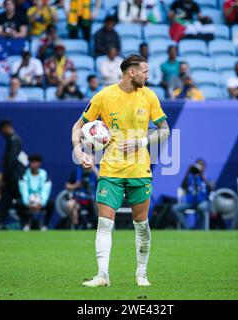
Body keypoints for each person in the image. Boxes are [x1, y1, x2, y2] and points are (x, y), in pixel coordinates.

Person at [71, 54, 170, 287]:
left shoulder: (149, 96)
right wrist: (78, 149)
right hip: (111, 170)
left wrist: (142, 142)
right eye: (145, 72)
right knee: (104, 223)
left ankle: (141, 273)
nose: (148, 76)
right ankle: (102, 275)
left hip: (139, 170)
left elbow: (165, 129)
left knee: (141, 224)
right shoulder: (104, 96)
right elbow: (79, 125)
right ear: (131, 73)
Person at [0, 119, 27, 229]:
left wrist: (4, 176)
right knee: (9, 201)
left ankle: (26, 223)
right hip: (13, 177)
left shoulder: (13, 140)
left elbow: (11, 160)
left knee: (13, 201)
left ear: (6, 127)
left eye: (1, 130)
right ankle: (24, 223)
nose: (1, 133)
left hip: (13, 177)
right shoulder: (13, 139)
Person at [172, 159, 213, 230]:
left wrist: (202, 176)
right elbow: (182, 186)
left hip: (202, 202)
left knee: (202, 207)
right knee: (175, 208)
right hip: (190, 203)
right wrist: (188, 172)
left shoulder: (207, 178)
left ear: (204, 167)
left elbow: (211, 189)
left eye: (201, 165)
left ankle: (203, 230)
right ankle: (187, 228)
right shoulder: (190, 178)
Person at [18, 154, 54, 231]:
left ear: (39, 163)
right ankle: (25, 224)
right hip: (28, 201)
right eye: (32, 162)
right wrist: (27, 203)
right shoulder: (24, 174)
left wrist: (41, 203)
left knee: (51, 204)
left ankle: (45, 225)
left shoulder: (44, 174)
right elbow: (23, 190)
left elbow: (46, 190)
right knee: (18, 203)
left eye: (36, 162)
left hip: (40, 201)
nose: (34, 164)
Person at [65, 165, 98, 229]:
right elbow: (67, 185)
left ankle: (97, 225)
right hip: (79, 200)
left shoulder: (96, 171)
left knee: (101, 205)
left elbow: (102, 179)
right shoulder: (77, 171)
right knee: (69, 205)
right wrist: (75, 186)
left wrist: (93, 168)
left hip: (93, 199)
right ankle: (76, 226)